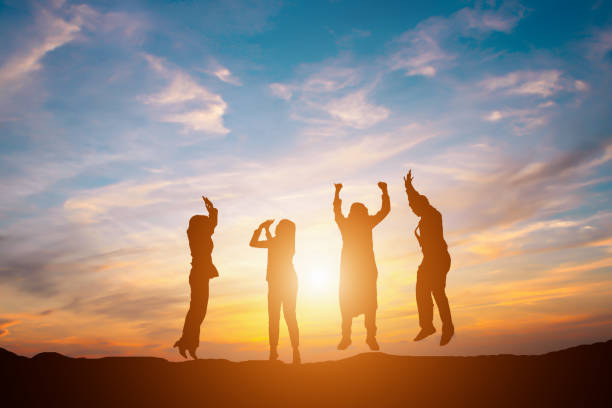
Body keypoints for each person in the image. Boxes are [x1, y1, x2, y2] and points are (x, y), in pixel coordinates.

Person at [333, 182, 390, 351]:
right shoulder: (359, 223)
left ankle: (366, 337)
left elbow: (337, 212)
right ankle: (352, 337)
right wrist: (384, 192)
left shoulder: (362, 223)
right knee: (350, 302)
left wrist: (337, 193)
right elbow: (384, 211)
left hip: (362, 270)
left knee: (367, 303)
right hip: (353, 270)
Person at [404, 170, 454, 346]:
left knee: (437, 292)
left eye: (414, 207)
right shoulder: (426, 215)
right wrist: (408, 187)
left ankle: (447, 328)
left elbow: (417, 200)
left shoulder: (432, 215)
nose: (412, 209)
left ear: (422, 205)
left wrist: (410, 188)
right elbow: (415, 200)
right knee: (422, 289)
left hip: (438, 259)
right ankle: (427, 326)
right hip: (430, 260)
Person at [250, 219, 301, 364]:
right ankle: (293, 351)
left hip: (280, 282)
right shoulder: (287, 243)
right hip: (287, 281)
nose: (277, 228)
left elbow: (253, 243)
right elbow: (270, 242)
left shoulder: (276, 242)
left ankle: (275, 351)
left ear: (283, 230)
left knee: (276, 317)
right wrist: (265, 230)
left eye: (279, 227)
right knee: (288, 316)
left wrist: (261, 228)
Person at [174, 196, 219, 359]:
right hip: (199, 273)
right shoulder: (195, 235)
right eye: (205, 222)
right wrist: (211, 212)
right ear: (200, 226)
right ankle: (186, 342)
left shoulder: (204, 235)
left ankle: (190, 343)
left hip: (202, 274)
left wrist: (212, 210)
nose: (208, 225)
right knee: (197, 310)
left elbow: (212, 224)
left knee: (199, 310)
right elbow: (211, 225)